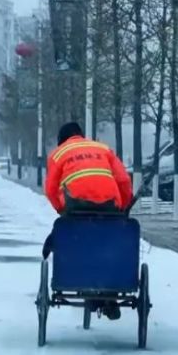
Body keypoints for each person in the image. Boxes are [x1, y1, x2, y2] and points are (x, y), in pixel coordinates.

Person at [41, 122, 134, 320]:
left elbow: (50, 189)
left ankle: (78, 276)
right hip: (109, 206)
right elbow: (124, 181)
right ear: (81, 136)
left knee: (73, 236)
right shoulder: (103, 149)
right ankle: (110, 292)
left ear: (61, 140)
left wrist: (61, 210)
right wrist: (122, 208)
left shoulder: (58, 154)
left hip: (76, 207)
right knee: (110, 241)